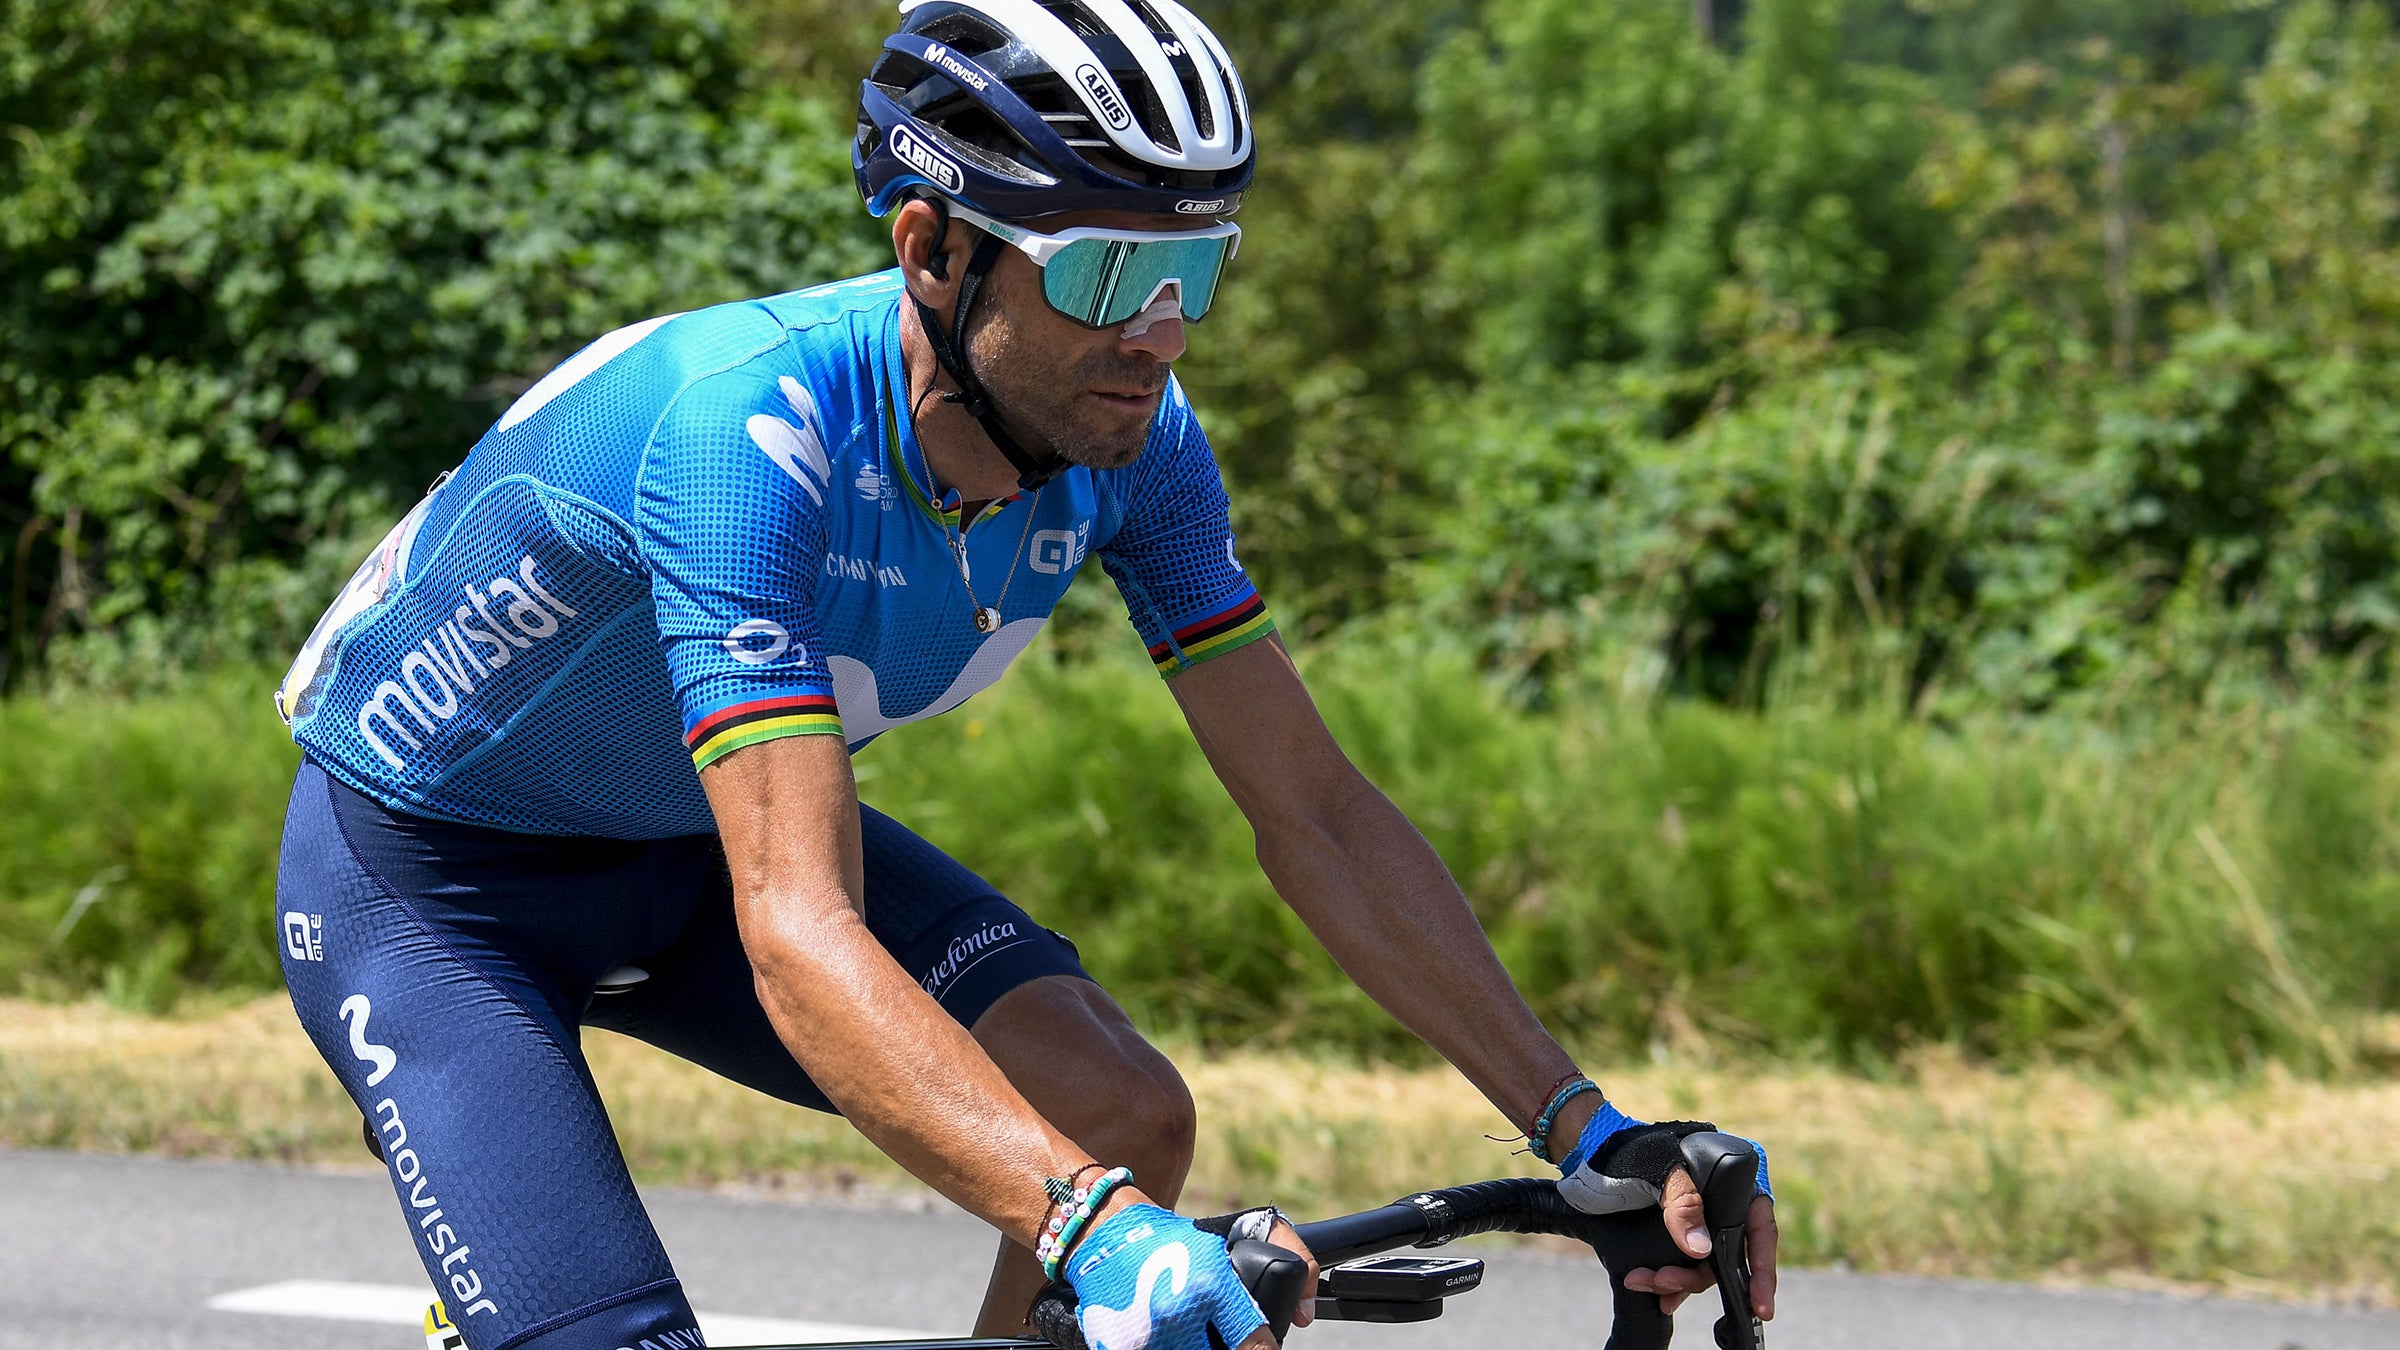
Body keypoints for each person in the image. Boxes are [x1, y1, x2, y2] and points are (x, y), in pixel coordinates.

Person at [268, 3, 1778, 1348]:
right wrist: (1091, 1225)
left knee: (1121, 1112)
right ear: (933, 245)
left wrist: (1589, 1124)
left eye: (1195, 268)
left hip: (673, 852)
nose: (1162, 335)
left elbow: (1315, 810)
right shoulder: (747, 440)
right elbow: (797, 928)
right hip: (432, 885)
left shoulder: (1137, 448)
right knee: (1060, 1200)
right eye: (1115, 269)